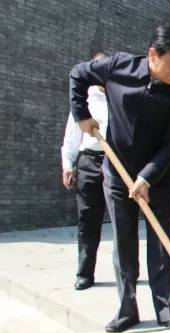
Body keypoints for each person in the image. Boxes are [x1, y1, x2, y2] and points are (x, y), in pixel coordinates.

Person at [69, 24, 170, 333]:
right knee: (124, 243)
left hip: (159, 176)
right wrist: (81, 114)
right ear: (153, 55)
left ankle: (169, 312)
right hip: (117, 172)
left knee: (162, 243)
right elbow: (78, 73)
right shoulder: (118, 66)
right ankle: (127, 309)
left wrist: (147, 177)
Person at [61, 51, 108, 291]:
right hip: (89, 162)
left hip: (114, 163)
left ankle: (129, 273)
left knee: (124, 222)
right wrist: (68, 165)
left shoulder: (118, 100)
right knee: (88, 221)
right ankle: (85, 273)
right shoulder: (83, 103)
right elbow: (71, 137)